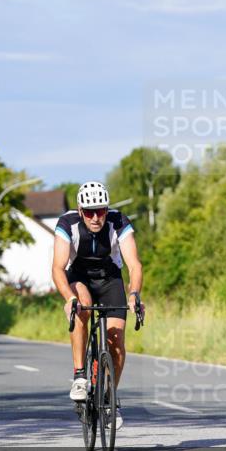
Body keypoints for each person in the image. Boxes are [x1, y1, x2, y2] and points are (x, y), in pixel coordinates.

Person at [51, 181, 144, 429]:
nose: (95, 218)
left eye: (100, 211)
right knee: (82, 305)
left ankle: (109, 398)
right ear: (80, 210)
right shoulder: (67, 223)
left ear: (106, 209)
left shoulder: (118, 221)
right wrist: (69, 298)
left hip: (110, 279)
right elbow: (58, 268)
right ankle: (80, 375)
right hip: (79, 277)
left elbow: (134, 264)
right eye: (90, 212)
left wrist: (134, 294)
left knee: (117, 342)